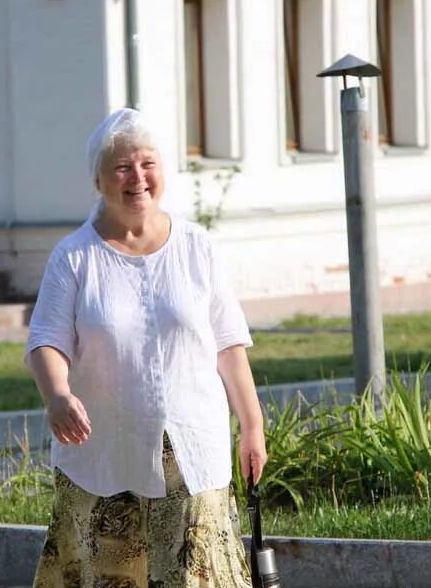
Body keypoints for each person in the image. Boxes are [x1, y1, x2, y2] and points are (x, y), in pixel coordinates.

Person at [26, 108, 267, 587]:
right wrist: (57, 396)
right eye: (121, 167)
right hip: (103, 456)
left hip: (192, 450)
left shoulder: (198, 247)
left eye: (147, 163)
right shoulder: (75, 257)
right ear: (98, 180)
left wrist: (252, 426)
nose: (137, 178)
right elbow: (45, 341)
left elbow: (229, 345)